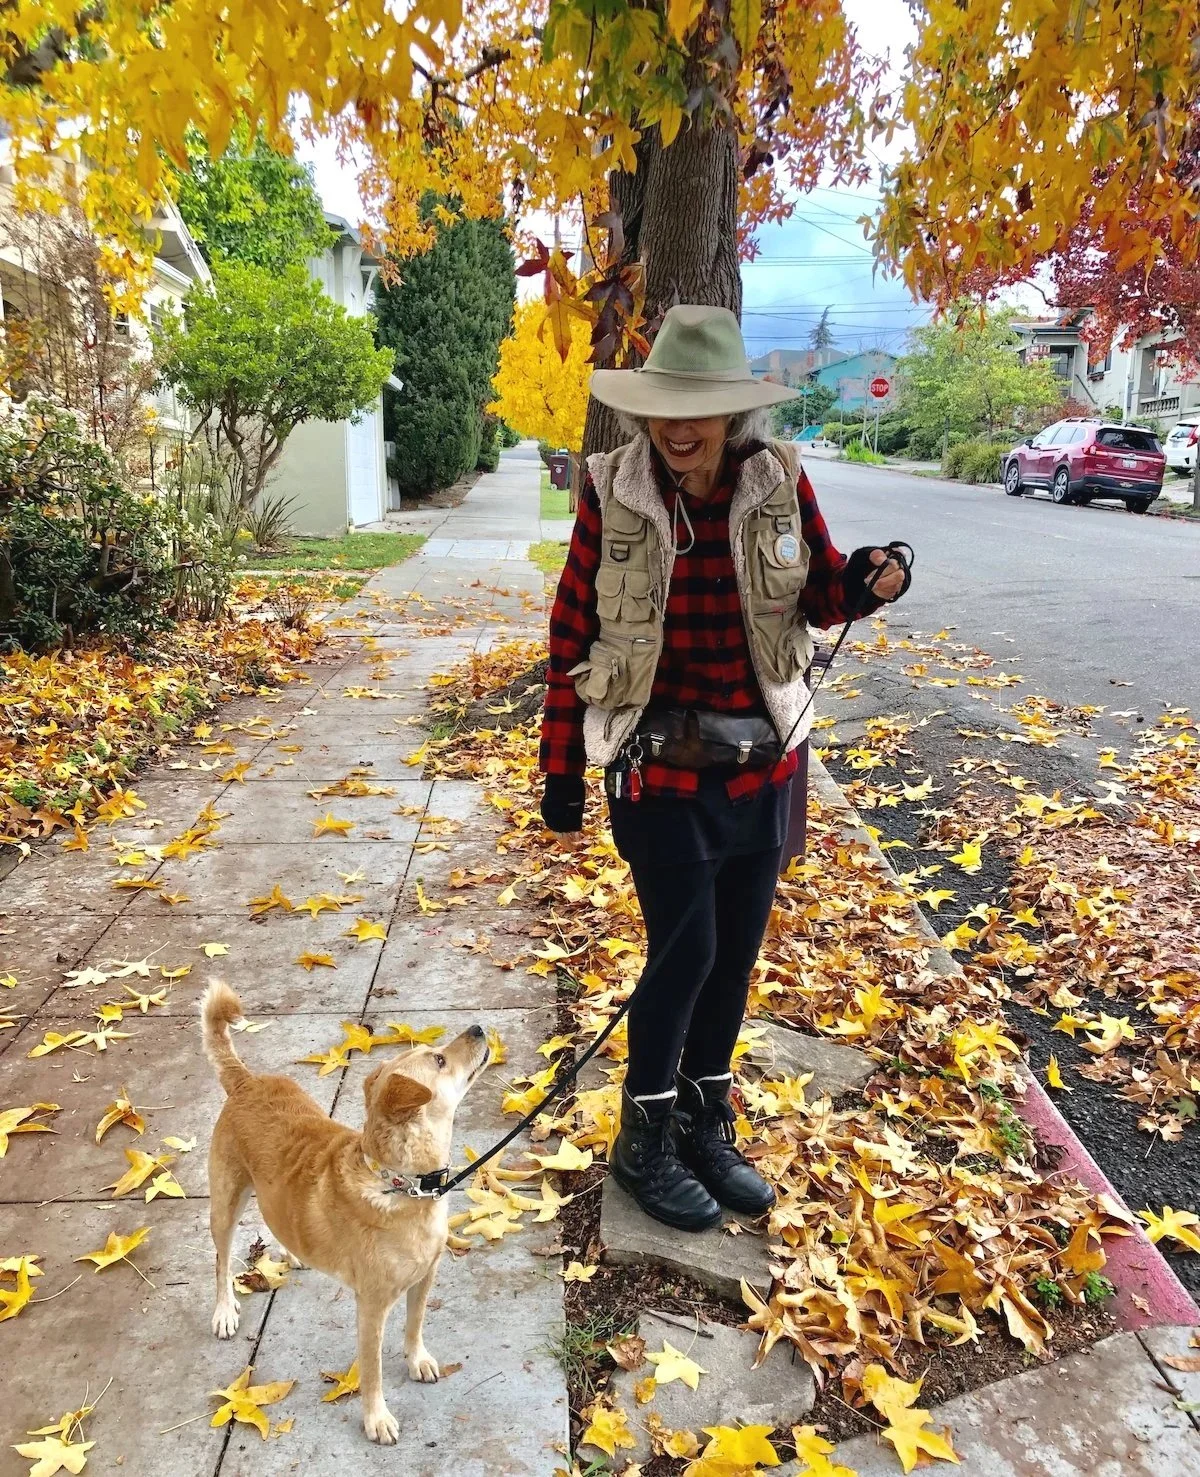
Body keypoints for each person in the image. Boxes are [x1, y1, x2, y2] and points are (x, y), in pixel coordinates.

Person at [538, 305, 910, 1233]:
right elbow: (571, 628)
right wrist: (561, 767)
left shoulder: (776, 480)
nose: (680, 426)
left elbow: (820, 590)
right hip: (658, 766)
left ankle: (705, 1121)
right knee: (685, 950)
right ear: (647, 411)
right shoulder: (611, 489)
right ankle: (643, 1140)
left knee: (735, 954)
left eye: (700, 408)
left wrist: (864, 577)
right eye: (666, 406)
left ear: (732, 413)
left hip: (762, 764)